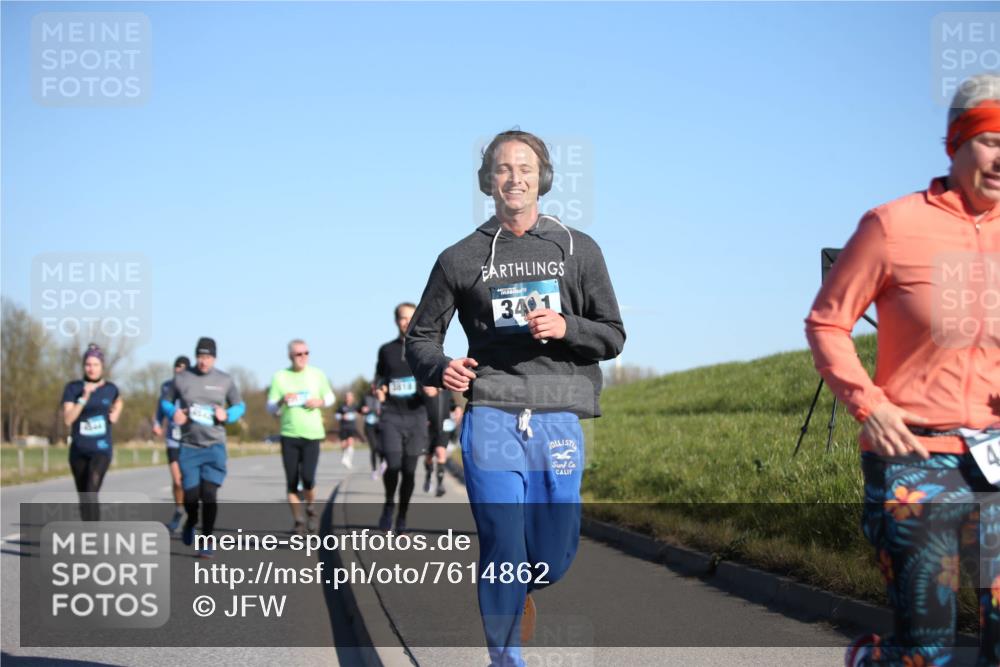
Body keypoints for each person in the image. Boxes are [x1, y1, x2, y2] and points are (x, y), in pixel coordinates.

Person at [405, 130, 625, 666]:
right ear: (489, 181)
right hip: (492, 413)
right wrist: (442, 367)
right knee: (502, 543)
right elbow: (420, 337)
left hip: (558, 417)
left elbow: (613, 335)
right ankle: (505, 658)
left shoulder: (577, 249)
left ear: (543, 178)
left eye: (525, 168)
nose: (515, 178)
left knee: (551, 555)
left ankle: (519, 589)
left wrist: (567, 326)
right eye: (503, 168)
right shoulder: (460, 257)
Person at [805, 74, 1000, 667]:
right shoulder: (893, 226)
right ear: (955, 142)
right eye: (992, 139)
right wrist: (871, 404)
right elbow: (827, 323)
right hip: (915, 458)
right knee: (927, 650)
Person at [161, 337, 244, 558]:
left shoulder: (224, 380)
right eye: (200, 356)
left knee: (209, 494)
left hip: (214, 446)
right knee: (190, 496)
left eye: (207, 357)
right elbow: (166, 401)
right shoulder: (182, 378)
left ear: (214, 358)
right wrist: (173, 412)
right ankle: (191, 522)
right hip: (189, 445)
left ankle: (206, 540)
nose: (203, 361)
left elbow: (239, 405)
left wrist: (227, 415)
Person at [375, 302, 438, 534]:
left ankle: (402, 514)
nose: (407, 322)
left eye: (411, 318)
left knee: (410, 471)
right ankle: (389, 504)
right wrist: (379, 389)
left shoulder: (426, 349)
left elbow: (437, 377)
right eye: (403, 318)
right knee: (392, 467)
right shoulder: (386, 350)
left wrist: (434, 389)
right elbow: (380, 378)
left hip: (416, 417)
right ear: (396, 321)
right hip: (392, 415)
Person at [266, 339, 336, 535]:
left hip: (312, 434)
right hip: (289, 434)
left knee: (308, 478)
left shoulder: (317, 374)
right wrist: (281, 400)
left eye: (306, 353)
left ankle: (311, 508)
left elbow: (330, 398)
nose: (303, 357)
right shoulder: (280, 377)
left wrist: (320, 401)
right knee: (291, 480)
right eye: (299, 354)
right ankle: (298, 521)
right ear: (290, 356)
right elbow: (270, 406)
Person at [61, 343, 124, 521]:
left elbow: (119, 401)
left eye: (95, 364)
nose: (91, 368)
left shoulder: (110, 389)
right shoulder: (73, 388)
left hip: (101, 449)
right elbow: (68, 419)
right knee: (84, 497)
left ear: (102, 366)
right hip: (79, 450)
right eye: (88, 364)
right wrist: (83, 399)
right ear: (83, 366)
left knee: (91, 490)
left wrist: (116, 412)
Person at [153, 355, 190, 532]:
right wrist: (157, 423)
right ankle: (178, 510)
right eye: (177, 368)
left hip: (191, 439)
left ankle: (190, 513)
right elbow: (161, 407)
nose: (179, 371)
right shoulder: (166, 386)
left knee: (190, 481)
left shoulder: (193, 388)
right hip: (173, 439)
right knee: (177, 480)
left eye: (183, 369)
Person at [423, 389, 456, 497]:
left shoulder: (447, 391)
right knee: (428, 457)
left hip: (443, 429)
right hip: (428, 430)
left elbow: (452, 405)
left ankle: (440, 485)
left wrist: (457, 408)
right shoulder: (426, 387)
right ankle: (428, 476)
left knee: (441, 453)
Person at [361, 383, 386, 481]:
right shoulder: (366, 397)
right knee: (373, 448)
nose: (374, 390)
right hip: (369, 425)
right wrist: (362, 409)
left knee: (381, 446)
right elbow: (359, 408)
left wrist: (382, 410)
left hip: (380, 424)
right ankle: (374, 471)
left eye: (376, 388)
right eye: (373, 388)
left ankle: (383, 463)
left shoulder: (383, 397)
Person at [335, 391, 360, 469]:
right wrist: (342, 416)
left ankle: (348, 460)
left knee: (350, 442)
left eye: (350, 396)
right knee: (343, 445)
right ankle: (345, 458)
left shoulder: (355, 406)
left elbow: (358, 414)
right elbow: (336, 415)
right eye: (347, 397)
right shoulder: (341, 406)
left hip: (351, 427)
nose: (348, 398)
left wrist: (351, 416)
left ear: (352, 398)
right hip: (343, 427)